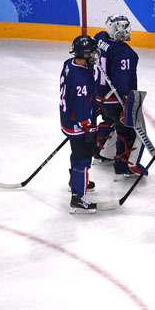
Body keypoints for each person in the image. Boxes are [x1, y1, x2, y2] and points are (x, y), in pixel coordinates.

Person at [93, 15, 144, 178]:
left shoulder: (99, 37)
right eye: (121, 27)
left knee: (107, 122)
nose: (125, 30)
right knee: (125, 129)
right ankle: (122, 165)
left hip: (99, 95)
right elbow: (123, 82)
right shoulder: (124, 52)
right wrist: (127, 103)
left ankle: (99, 152)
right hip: (115, 99)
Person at [61, 35, 99, 214]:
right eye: (92, 51)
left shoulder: (70, 63)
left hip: (67, 120)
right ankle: (78, 198)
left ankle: (74, 180)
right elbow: (81, 106)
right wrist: (88, 127)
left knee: (76, 153)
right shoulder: (81, 79)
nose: (95, 54)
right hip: (79, 125)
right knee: (83, 160)